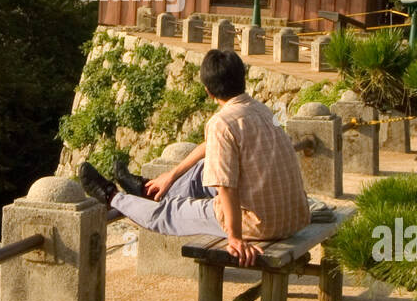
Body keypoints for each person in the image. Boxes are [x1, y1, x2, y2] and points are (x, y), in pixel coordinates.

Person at [78, 49, 310, 267]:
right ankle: (147, 191)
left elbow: (226, 187)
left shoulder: (221, 123)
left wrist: (235, 237)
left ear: (208, 91)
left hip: (261, 224)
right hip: (295, 215)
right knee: (201, 168)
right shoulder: (262, 110)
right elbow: (211, 146)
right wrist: (171, 175)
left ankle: (112, 197)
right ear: (243, 78)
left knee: (169, 213)